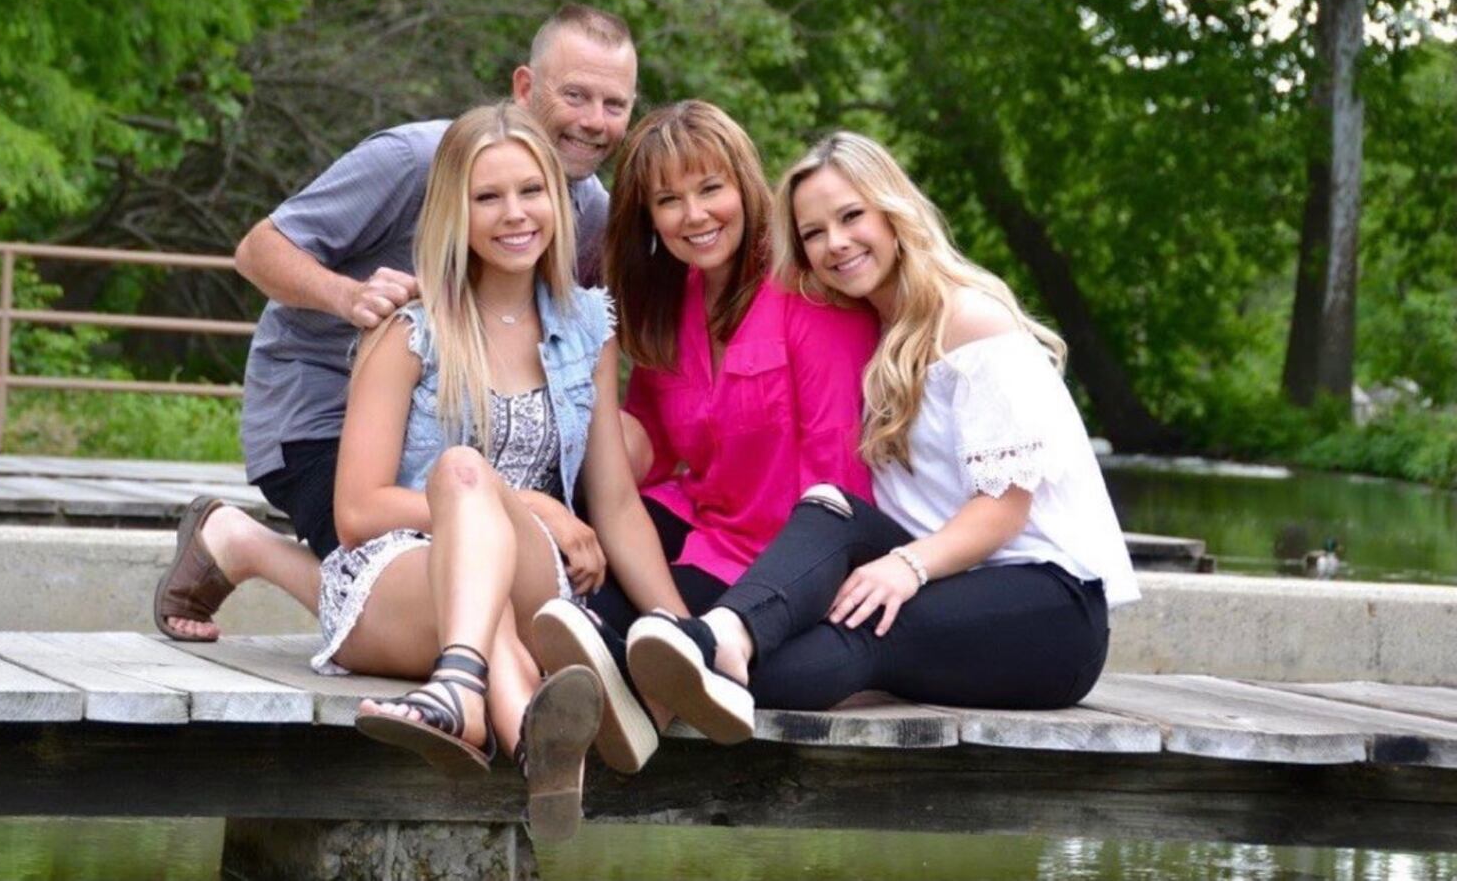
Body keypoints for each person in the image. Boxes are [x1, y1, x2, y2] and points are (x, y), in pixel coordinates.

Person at [619, 131, 1141, 743]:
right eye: (814, 234)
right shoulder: (873, 328)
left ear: (893, 212)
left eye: (851, 216)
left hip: (1047, 606)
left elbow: (1004, 509)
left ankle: (706, 649)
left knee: (852, 634)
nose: (836, 243)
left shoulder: (971, 320)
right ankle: (708, 643)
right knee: (831, 510)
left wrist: (906, 565)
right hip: (945, 583)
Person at [154, 5, 637, 643]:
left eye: (613, 104)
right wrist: (350, 299)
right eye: (575, 95)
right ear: (524, 87)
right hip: (326, 412)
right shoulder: (413, 160)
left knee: (624, 448)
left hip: (465, 432)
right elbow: (258, 249)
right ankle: (245, 545)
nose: (592, 121)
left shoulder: (591, 211)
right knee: (432, 578)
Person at [317, 102, 688, 840]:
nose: (514, 215)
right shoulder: (409, 332)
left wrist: (681, 632)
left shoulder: (591, 326)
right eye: (488, 197)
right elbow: (357, 512)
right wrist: (528, 504)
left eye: (531, 191)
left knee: (483, 568)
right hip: (395, 577)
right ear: (456, 211)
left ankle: (461, 693)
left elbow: (614, 502)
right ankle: (529, 739)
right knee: (459, 473)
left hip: (531, 576)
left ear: (558, 198)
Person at [530, 102, 876, 765]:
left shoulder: (809, 294)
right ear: (648, 218)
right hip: (707, 530)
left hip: (782, 561)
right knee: (574, 576)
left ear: (745, 187)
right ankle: (608, 686)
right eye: (670, 200)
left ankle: (620, 710)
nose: (694, 215)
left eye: (710, 189)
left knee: (629, 625)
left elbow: (844, 480)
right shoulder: (672, 302)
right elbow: (650, 456)